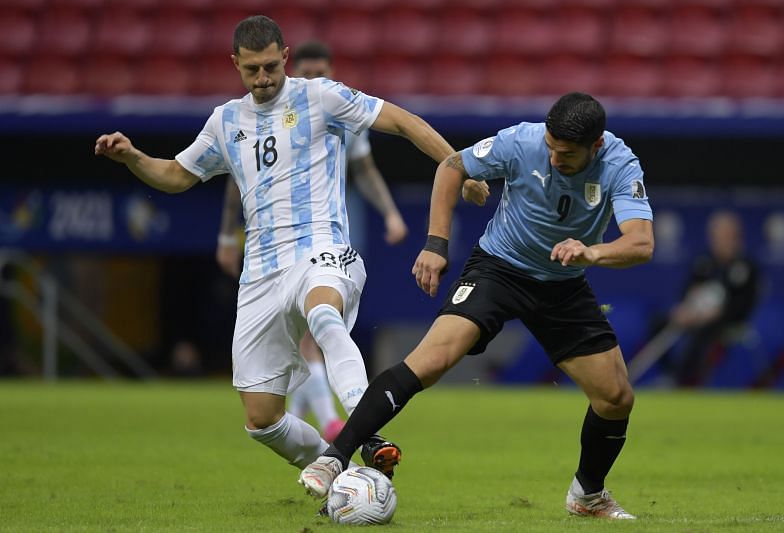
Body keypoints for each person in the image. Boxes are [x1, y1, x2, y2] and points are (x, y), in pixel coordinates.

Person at [94, 15, 477, 487]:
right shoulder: (225, 120)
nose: (263, 78)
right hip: (260, 273)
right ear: (235, 64)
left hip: (322, 247)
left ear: (286, 57)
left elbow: (403, 121)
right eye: (252, 70)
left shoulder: (320, 96)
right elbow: (175, 176)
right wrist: (132, 157)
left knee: (323, 314)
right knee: (261, 419)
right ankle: (348, 480)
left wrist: (459, 167)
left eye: (271, 67)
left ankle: (367, 430)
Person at [299, 92, 654, 521]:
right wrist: (435, 244)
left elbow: (641, 242)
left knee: (616, 397)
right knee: (432, 361)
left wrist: (591, 253)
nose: (555, 158)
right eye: (551, 147)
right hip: (498, 269)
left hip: (563, 282)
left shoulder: (619, 162)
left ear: (595, 146)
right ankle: (333, 457)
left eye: (567, 154)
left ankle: (588, 495)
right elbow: (452, 168)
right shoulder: (522, 142)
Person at [214, 40, 408, 443]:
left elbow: (365, 170)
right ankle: (326, 420)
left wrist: (390, 212)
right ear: (293, 68)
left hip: (330, 236)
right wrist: (227, 236)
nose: (316, 79)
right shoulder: (252, 119)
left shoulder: (336, 107)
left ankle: (330, 419)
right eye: (310, 72)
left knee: (319, 322)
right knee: (311, 333)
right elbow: (237, 184)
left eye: (324, 71)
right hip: (273, 250)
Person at [661, 210, 760, 385]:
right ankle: (670, 374)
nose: (720, 240)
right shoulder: (704, 261)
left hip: (727, 321)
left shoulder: (746, 266)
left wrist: (718, 312)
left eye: (725, 236)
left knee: (703, 334)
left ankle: (686, 382)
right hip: (696, 315)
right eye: (716, 236)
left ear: (736, 237)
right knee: (659, 322)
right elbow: (688, 290)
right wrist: (685, 309)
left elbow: (745, 304)